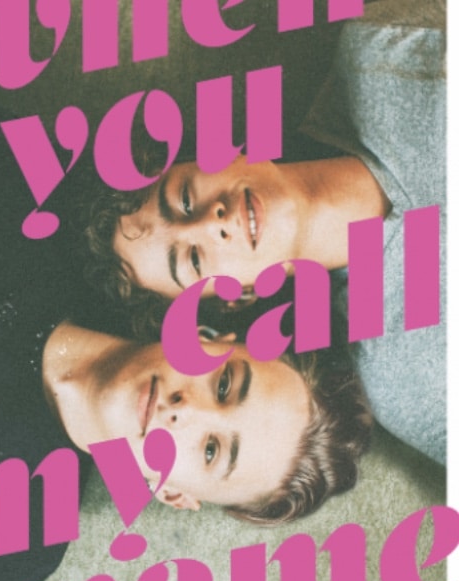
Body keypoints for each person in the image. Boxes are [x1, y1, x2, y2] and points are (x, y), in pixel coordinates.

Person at [86, 0, 445, 464]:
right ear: (236, 297)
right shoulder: (406, 380)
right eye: (193, 260)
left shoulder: (379, 48)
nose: (210, 222)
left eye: (186, 199)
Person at [42, 320, 372, 523]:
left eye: (211, 451)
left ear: (171, 494)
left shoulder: (19, 532)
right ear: (203, 336)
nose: (184, 410)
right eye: (224, 385)